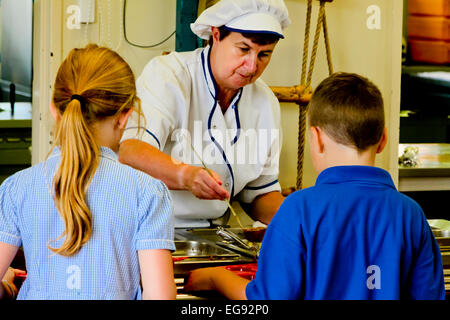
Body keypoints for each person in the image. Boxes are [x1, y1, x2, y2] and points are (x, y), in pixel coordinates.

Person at [184, 72, 446, 300]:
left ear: (315, 138)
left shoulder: (298, 209)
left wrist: (215, 278)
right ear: (383, 140)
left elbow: (266, 299)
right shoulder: (411, 214)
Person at [0, 44, 176, 300]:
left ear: (54, 108)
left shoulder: (16, 189)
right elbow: (160, 296)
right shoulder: (148, 192)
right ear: (124, 116)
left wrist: (6, 288)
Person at [119, 0, 291, 228]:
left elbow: (258, 193)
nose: (252, 66)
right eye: (244, 49)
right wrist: (185, 176)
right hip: (152, 228)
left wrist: (299, 218)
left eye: (264, 55)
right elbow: (131, 152)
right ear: (216, 34)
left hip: (214, 237)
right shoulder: (169, 75)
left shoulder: (265, 102)